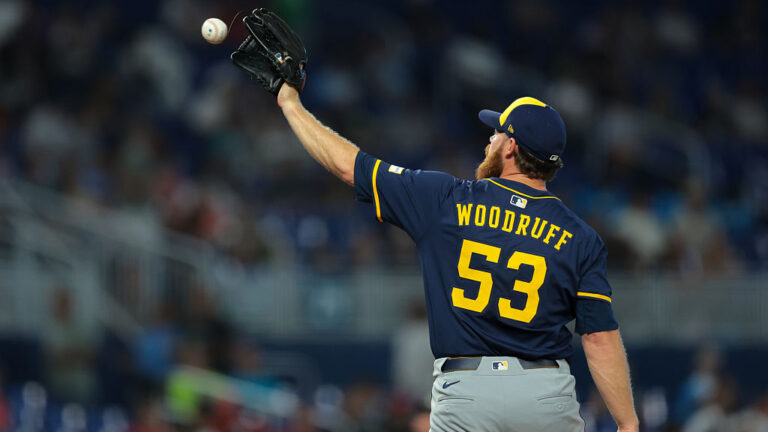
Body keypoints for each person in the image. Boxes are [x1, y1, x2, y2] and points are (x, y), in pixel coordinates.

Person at [272, 79, 638, 431]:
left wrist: (291, 105)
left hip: (467, 392)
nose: (489, 139)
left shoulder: (446, 199)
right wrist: (627, 422)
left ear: (510, 147)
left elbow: (349, 165)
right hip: (545, 396)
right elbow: (599, 338)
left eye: (496, 133)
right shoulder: (580, 236)